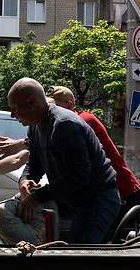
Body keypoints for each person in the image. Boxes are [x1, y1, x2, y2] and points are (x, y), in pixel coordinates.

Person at [9, 78, 120, 244]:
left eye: (14, 109)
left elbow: (79, 177)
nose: (12, 115)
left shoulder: (64, 125)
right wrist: (25, 181)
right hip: (76, 201)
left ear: (32, 102)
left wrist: (37, 196)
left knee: (77, 255)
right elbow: (34, 165)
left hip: (98, 199)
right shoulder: (35, 127)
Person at [45, 85, 140, 229]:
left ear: (70, 104)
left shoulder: (82, 120)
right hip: (108, 194)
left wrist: (25, 144)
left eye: (55, 106)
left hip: (124, 193)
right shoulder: (65, 123)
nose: (50, 111)